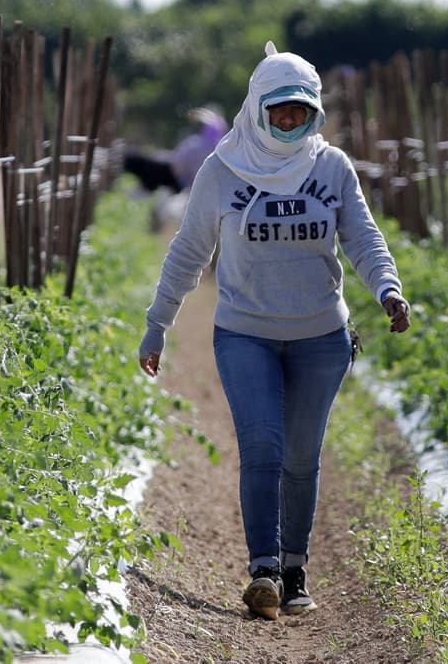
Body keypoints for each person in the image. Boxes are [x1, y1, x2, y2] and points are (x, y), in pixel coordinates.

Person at [137, 41, 411, 621]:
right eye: (279, 109)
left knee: (302, 458)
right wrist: (158, 324)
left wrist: (388, 288)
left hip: (321, 337)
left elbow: (363, 237)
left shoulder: (332, 167)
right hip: (245, 333)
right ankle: (263, 569)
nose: (289, 120)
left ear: (315, 112)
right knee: (263, 447)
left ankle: (294, 569)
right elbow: (188, 252)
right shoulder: (221, 170)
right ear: (257, 108)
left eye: (300, 110)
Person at [122, 105, 228, 193]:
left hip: (176, 178)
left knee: (139, 161)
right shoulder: (218, 149)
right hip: (180, 178)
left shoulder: (198, 144)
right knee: (146, 162)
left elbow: (178, 165)